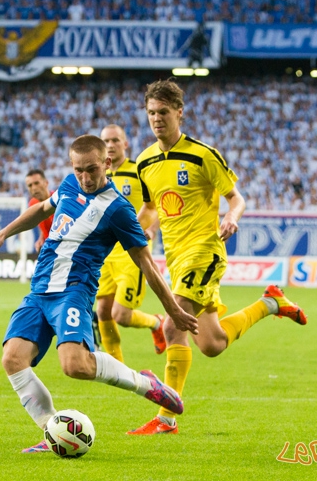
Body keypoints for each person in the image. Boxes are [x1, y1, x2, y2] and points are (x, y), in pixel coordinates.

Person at [0, 135, 199, 453]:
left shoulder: (118, 210)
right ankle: (52, 432)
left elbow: (146, 263)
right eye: (78, 169)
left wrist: (174, 309)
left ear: (107, 164)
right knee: (12, 359)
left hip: (74, 292)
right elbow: (43, 209)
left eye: (91, 169)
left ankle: (146, 383)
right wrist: (3, 233)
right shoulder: (69, 184)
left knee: (75, 366)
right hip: (39, 291)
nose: (84, 177)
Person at [128, 80, 307, 436]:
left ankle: (166, 418)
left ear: (179, 112)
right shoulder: (145, 161)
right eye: (151, 113)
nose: (157, 119)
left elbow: (236, 197)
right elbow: (150, 207)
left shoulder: (203, 154)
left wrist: (231, 216)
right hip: (176, 258)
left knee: (172, 323)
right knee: (211, 344)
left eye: (163, 112)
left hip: (205, 250)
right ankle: (270, 303)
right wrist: (140, 228)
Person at [96, 124, 167, 362]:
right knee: (103, 311)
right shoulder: (97, 175)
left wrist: (152, 228)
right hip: (105, 253)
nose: (110, 145)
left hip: (131, 253)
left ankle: (156, 322)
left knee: (121, 315)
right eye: (105, 141)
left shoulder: (139, 170)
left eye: (115, 140)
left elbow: (158, 204)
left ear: (125, 144)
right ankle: (117, 367)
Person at [24, 169, 54, 253]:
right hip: (50, 249)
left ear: (46, 183)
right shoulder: (32, 203)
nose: (34, 188)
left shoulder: (59, 201)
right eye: (30, 185)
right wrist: (41, 238)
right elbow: (42, 221)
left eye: (36, 183)